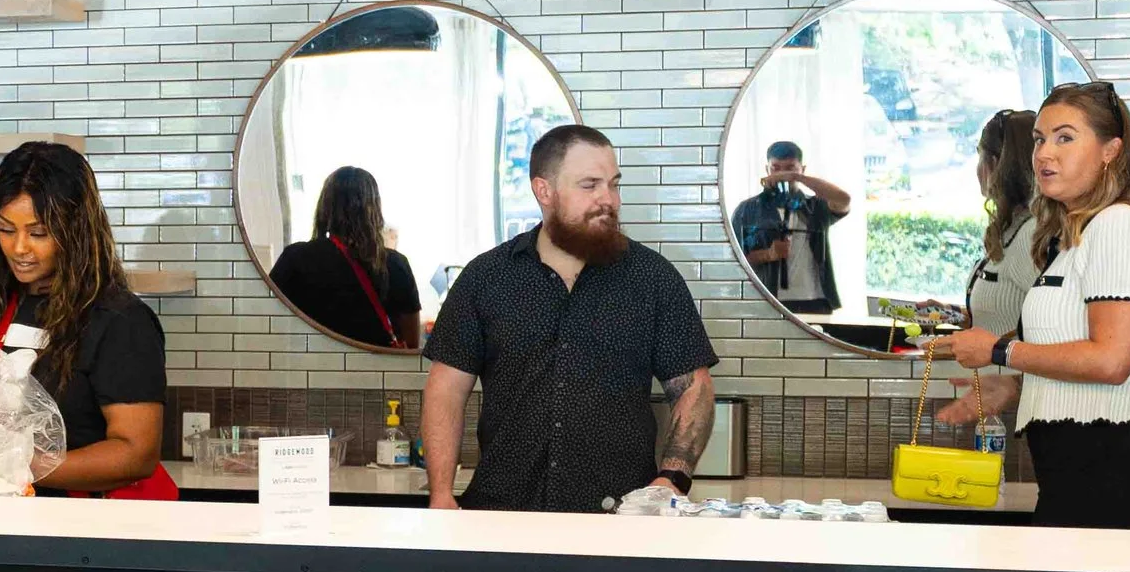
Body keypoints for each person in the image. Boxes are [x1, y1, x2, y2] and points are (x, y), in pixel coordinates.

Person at [422, 123, 717, 513]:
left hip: (619, 516)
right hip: (501, 512)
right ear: (544, 190)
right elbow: (446, 390)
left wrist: (673, 478)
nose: (608, 199)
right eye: (590, 185)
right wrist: (441, 493)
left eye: (613, 184)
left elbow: (693, 387)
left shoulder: (651, 279)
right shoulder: (487, 277)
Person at [937, 80, 1130, 529]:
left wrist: (998, 351)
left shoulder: (1122, 226)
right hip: (1076, 475)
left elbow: (1111, 361)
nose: (1044, 153)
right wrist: (1011, 386)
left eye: (1065, 138)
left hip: (1115, 477)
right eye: (1039, 139)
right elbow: (1071, 353)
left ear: (1111, 150)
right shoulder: (1074, 238)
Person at [0, 140, 172, 497]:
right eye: (6, 229)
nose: (19, 248)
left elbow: (135, 454)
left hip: (78, 535)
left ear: (76, 231)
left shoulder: (120, 321)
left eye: (39, 233)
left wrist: (13, 466)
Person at [266, 166, 424, 349]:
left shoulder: (295, 259)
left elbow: (268, 321)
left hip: (309, 368)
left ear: (325, 207)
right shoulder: (395, 264)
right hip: (375, 374)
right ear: (374, 209)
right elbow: (411, 344)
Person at [731, 142, 852, 318]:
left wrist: (799, 178)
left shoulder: (816, 207)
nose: (782, 175)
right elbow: (735, 259)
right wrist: (769, 254)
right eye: (776, 168)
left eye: (790, 169)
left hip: (816, 301)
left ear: (802, 169)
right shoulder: (748, 209)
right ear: (767, 169)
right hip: (768, 300)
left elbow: (844, 200)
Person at [965, 104, 1043, 344]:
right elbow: (1010, 313)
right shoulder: (1013, 227)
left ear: (995, 164)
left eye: (979, 156)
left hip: (1007, 380)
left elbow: (1055, 329)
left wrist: (1011, 383)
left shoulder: (1031, 233)